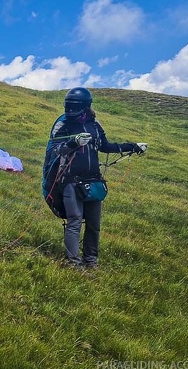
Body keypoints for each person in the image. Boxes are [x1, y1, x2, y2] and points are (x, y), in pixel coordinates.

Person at [43, 87, 147, 269]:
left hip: (93, 180)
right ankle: (74, 263)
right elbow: (55, 150)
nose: (70, 110)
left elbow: (105, 146)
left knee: (93, 223)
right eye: (68, 106)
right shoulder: (62, 124)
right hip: (70, 180)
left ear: (85, 106)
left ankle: (91, 261)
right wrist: (73, 142)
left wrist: (133, 146)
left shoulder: (95, 124)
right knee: (74, 221)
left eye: (74, 107)